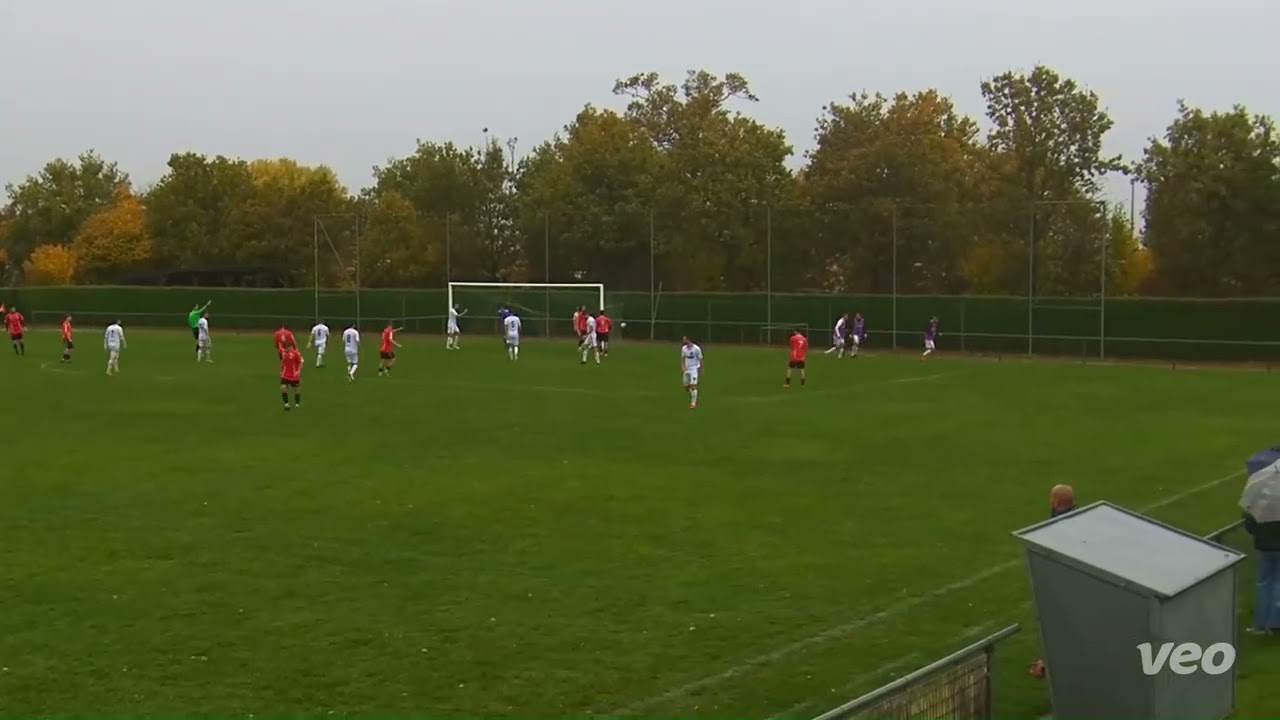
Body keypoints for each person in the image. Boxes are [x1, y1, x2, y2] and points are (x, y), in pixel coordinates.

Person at [1031, 484, 1079, 679]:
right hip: (1074, 583)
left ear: (1056, 501)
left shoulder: (1057, 525)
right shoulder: (1080, 518)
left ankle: (1047, 665)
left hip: (1063, 586)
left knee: (1058, 625)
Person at [1243, 509, 1280, 635]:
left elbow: (1249, 526)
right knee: (1278, 584)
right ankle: (1275, 624)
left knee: (1264, 585)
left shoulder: (1259, 503)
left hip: (1263, 547)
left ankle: (1261, 624)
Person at [681, 335, 703, 409]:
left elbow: (700, 358)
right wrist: (683, 366)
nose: (683, 340)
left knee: (693, 385)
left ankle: (693, 403)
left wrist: (702, 368)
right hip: (686, 369)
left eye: (684, 339)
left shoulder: (696, 349)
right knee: (686, 387)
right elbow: (683, 358)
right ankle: (694, 393)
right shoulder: (684, 348)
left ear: (688, 339)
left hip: (694, 369)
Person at [279, 343, 303, 410]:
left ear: (291, 347)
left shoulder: (295, 353)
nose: (288, 349)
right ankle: (286, 404)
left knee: (297, 390)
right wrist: (281, 370)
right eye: (287, 348)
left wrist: (298, 371)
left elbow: (300, 362)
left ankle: (297, 404)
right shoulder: (283, 353)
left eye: (289, 347)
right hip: (285, 375)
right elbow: (282, 362)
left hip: (294, 375)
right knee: (283, 388)